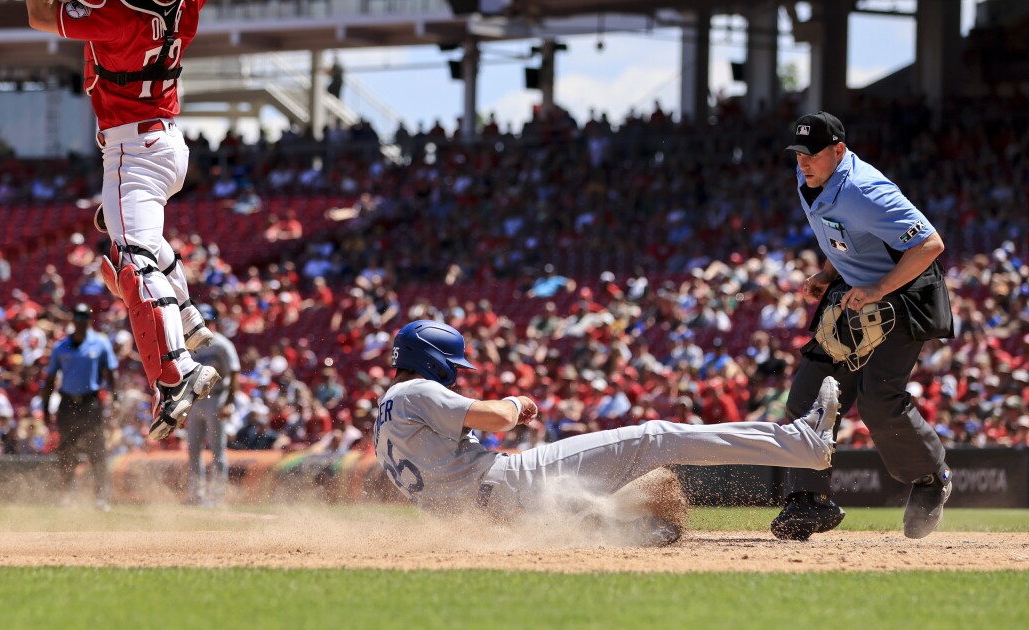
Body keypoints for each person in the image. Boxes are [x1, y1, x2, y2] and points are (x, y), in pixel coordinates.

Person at [374, 320, 842, 546]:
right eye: (452, 365)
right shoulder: (417, 390)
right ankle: (804, 442)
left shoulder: (384, 415)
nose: (454, 374)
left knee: (642, 494)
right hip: (506, 484)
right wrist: (518, 403)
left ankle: (630, 532)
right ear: (433, 360)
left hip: (486, 515)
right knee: (655, 436)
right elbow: (496, 419)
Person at [26, 0, 219, 442]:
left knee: (133, 263)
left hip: (132, 152)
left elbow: (39, 13)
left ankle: (176, 373)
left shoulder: (117, 14)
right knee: (124, 254)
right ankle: (186, 318)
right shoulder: (183, 6)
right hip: (167, 143)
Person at [773, 112, 954, 541]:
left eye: (812, 153)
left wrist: (879, 288)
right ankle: (809, 500)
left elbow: (930, 244)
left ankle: (931, 478)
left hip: (907, 291)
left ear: (838, 150)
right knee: (807, 397)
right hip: (858, 289)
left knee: (878, 400)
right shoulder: (811, 182)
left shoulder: (864, 189)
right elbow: (850, 239)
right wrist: (831, 272)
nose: (803, 162)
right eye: (798, 153)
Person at [42, 303, 118, 511]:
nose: (81, 321)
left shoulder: (100, 343)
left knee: (97, 451)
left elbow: (111, 374)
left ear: (89, 320)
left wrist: (115, 399)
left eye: (85, 317)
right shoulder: (61, 346)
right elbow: (50, 379)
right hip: (67, 403)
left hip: (91, 403)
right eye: (78, 317)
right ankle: (66, 494)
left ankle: (100, 497)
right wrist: (45, 406)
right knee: (66, 451)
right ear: (73, 320)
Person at [184, 306, 241, 506]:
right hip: (196, 399)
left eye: (208, 320)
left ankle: (218, 495)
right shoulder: (192, 344)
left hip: (216, 398)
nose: (205, 324)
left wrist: (228, 403)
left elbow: (234, 373)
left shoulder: (222, 344)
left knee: (217, 449)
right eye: (202, 320)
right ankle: (196, 494)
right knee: (193, 448)